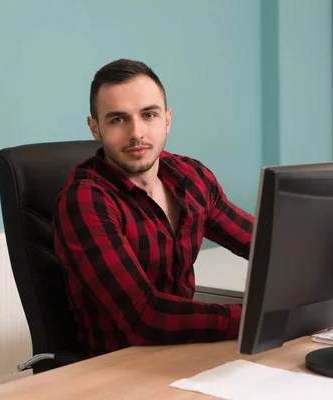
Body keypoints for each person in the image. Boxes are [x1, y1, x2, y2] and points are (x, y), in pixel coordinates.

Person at [52, 59, 255, 357]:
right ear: (95, 127)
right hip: (119, 368)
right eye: (118, 119)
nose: (137, 133)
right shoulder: (85, 201)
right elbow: (143, 317)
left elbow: (265, 247)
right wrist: (254, 317)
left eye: (149, 115)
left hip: (183, 352)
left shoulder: (191, 178)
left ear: (167, 119)